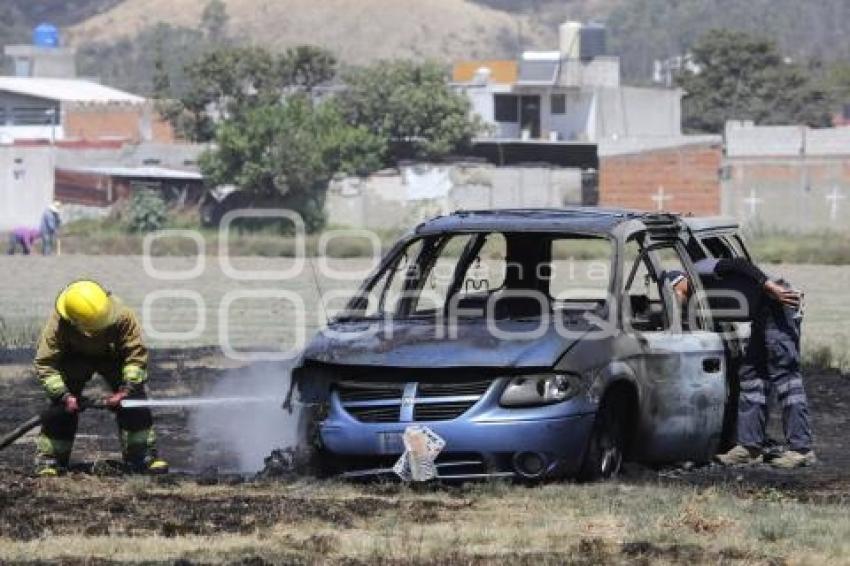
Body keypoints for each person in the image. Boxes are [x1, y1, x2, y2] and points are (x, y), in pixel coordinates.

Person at [666, 258, 814, 469]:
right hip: (762, 313)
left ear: (679, 280)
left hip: (779, 303)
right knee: (751, 376)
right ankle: (749, 448)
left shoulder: (698, 269)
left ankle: (802, 449)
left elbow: (739, 264)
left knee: (786, 380)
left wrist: (770, 286)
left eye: (673, 291)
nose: (676, 297)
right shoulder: (697, 297)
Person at [33, 280, 168, 476]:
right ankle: (51, 460)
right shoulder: (59, 324)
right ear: (75, 322)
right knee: (60, 409)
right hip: (74, 358)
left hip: (112, 357)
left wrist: (126, 390)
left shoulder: (121, 315)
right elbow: (45, 363)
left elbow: (135, 356)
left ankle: (143, 457)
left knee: (134, 402)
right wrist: (63, 396)